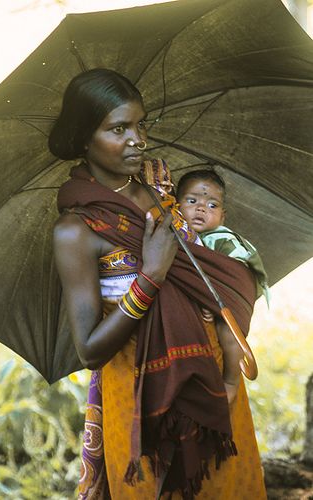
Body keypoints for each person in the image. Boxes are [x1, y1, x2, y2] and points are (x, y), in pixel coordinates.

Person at [49, 68, 267, 499]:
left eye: (140, 124)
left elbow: (209, 267)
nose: (138, 139)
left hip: (211, 386)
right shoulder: (75, 231)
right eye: (118, 129)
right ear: (83, 138)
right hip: (141, 399)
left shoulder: (163, 192)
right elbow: (90, 349)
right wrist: (150, 276)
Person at [176, 169, 269, 406]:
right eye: (192, 200)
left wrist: (213, 301)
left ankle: (231, 381)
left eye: (212, 205)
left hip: (224, 304)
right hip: (194, 306)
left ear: (223, 216)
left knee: (229, 332)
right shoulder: (174, 238)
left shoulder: (223, 239)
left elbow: (234, 277)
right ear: (176, 206)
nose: (201, 208)